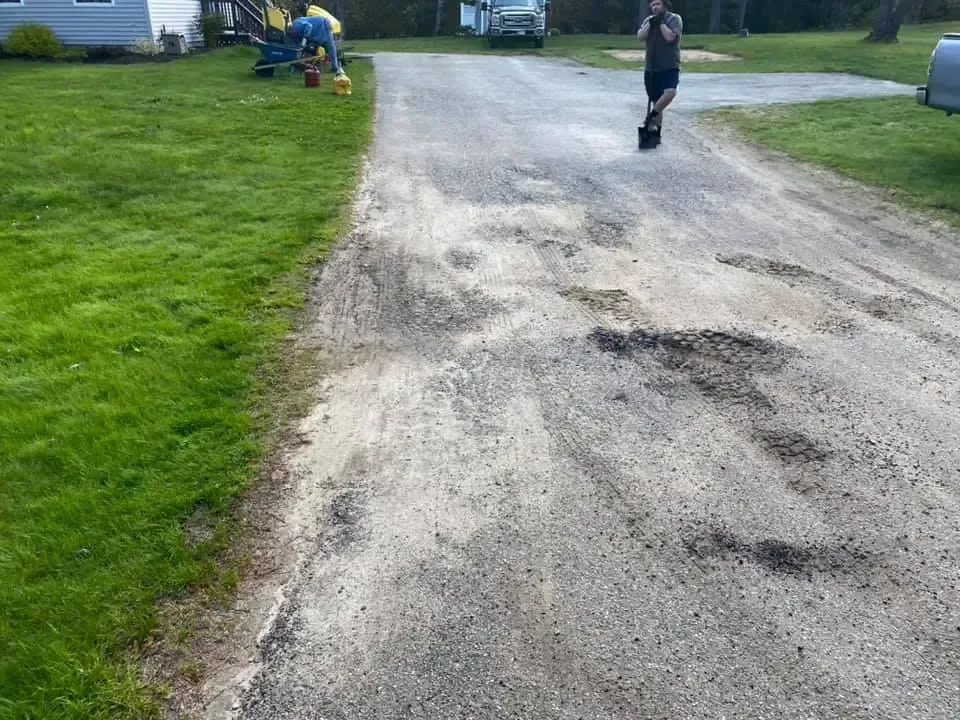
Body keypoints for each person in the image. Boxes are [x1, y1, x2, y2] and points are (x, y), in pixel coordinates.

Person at [636, 0, 683, 142]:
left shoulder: (674, 18)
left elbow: (670, 38)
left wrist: (661, 23)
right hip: (651, 66)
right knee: (657, 101)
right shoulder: (649, 20)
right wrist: (651, 24)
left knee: (670, 92)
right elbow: (640, 36)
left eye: (658, 4)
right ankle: (656, 134)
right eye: (653, 5)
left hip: (669, 64)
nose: (655, 7)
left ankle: (651, 116)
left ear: (665, 5)